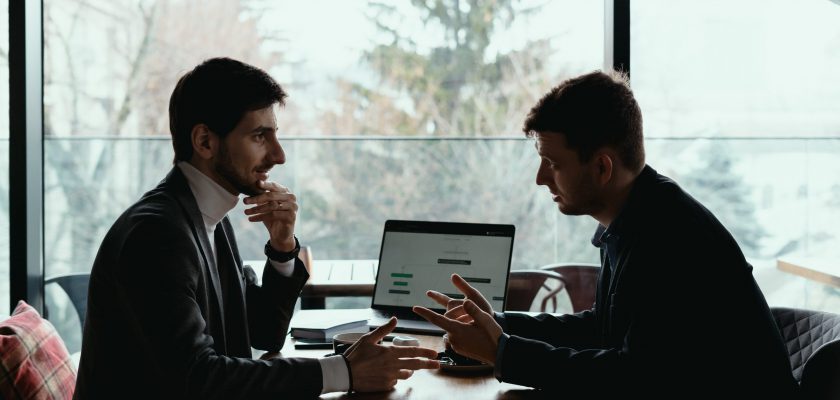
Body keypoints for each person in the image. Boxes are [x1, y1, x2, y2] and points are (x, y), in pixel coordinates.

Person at [413, 71, 798, 396]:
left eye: (552, 163)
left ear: (601, 168)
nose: (540, 178)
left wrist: (504, 353)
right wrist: (498, 324)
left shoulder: (667, 239)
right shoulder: (638, 216)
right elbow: (604, 330)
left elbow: (633, 376)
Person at [74, 57, 439, 399]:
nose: (279, 155)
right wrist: (340, 372)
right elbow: (195, 377)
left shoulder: (208, 218)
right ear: (204, 141)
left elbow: (264, 332)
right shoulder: (157, 234)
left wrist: (282, 248)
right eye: (260, 136)